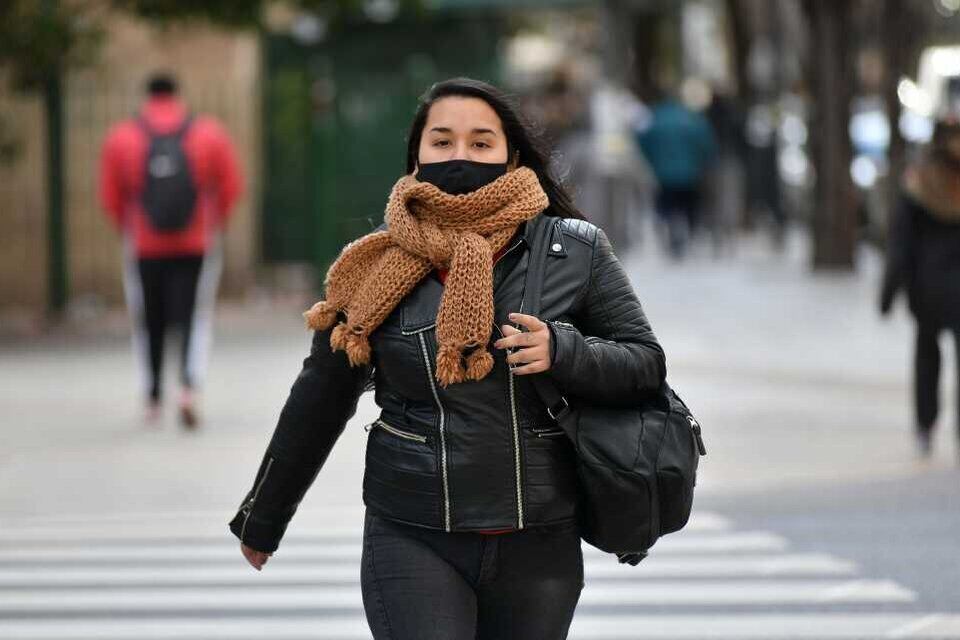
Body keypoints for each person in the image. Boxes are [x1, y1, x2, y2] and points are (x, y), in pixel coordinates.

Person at [228, 77, 666, 639]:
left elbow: (644, 363)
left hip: (539, 537)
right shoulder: (372, 265)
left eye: (481, 143)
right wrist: (265, 514)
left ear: (511, 154)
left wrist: (564, 350)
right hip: (411, 533)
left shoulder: (573, 249)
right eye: (442, 141)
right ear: (416, 155)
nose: (460, 156)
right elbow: (321, 395)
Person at [99, 72, 243, 429]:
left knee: (148, 319)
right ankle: (188, 390)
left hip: (144, 244)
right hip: (196, 241)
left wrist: (129, 229)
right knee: (194, 316)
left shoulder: (122, 138)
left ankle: (152, 397)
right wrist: (214, 223)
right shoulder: (208, 133)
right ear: (177, 95)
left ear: (147, 96)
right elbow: (231, 185)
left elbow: (110, 195)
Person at [881, 93, 960, 461]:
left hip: (927, 287)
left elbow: (901, 244)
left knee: (927, 357)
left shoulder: (919, 184)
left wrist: (889, 292)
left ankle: (925, 426)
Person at [636, 89, 717, 259]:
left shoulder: (655, 118)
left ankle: (670, 233)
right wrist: (701, 163)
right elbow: (706, 142)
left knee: (666, 207)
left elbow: (642, 140)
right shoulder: (691, 118)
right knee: (688, 207)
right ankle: (687, 236)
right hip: (689, 174)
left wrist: (652, 161)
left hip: (663, 174)